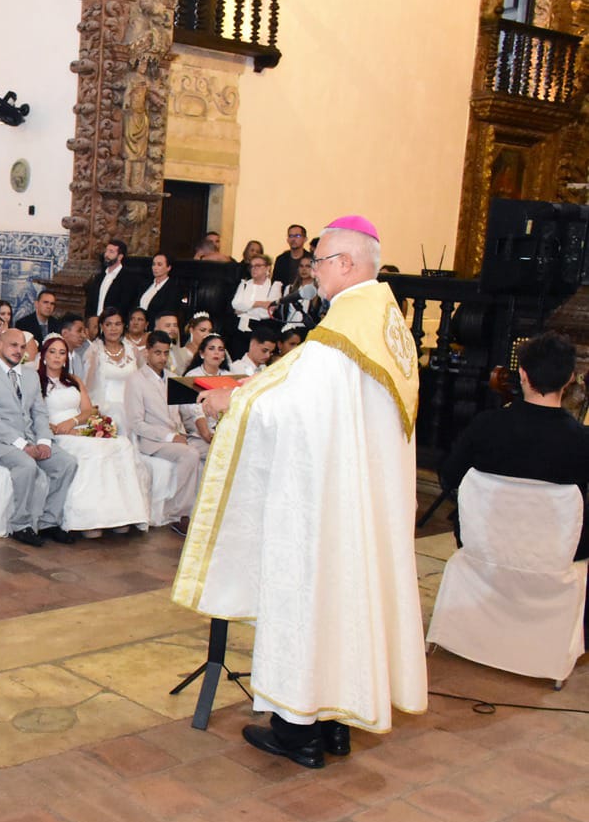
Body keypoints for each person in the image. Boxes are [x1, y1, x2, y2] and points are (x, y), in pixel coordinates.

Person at [173, 214, 427, 769]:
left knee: (312, 598)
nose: (312, 270)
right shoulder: (389, 326)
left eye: (320, 260)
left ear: (348, 264)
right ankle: (336, 723)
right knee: (349, 601)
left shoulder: (343, 332)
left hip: (326, 504)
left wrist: (229, 402)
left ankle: (298, 732)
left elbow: (292, 409)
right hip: (362, 503)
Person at [440, 331, 589, 568]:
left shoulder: (486, 425)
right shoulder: (582, 441)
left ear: (522, 373)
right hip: (554, 559)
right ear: (570, 378)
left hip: (485, 552)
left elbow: (449, 476)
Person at [0, 329, 79, 545]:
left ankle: (49, 522)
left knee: (67, 463)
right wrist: (22, 444)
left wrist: (44, 440)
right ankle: (21, 525)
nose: (18, 351)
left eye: (22, 347)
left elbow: (39, 412)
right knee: (27, 465)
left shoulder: (30, 375)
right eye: (13, 345)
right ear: (0, 345)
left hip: (31, 438)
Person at [39, 334, 149, 537]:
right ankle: (89, 519)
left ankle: (120, 515)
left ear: (66, 358)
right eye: (52, 352)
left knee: (121, 444)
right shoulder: (36, 381)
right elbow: (34, 413)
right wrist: (58, 428)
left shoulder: (73, 380)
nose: (57, 357)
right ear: (44, 355)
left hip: (78, 426)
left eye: (62, 353)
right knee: (93, 450)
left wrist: (74, 423)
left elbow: (89, 411)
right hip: (55, 432)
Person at [123, 330, 203, 532]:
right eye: (157, 352)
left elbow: (183, 413)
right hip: (153, 441)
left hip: (178, 435)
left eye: (166, 353)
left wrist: (191, 431)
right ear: (147, 352)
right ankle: (178, 514)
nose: (162, 358)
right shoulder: (136, 380)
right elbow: (136, 423)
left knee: (211, 450)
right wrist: (170, 436)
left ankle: (203, 510)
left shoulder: (173, 378)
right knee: (190, 455)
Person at [83, 308, 139, 424]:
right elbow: (88, 386)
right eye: (108, 324)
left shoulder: (132, 349)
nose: (113, 329)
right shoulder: (94, 351)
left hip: (132, 405)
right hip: (105, 408)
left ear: (124, 326)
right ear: (102, 327)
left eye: (117, 324)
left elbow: (143, 379)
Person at [231, 253, 282, 356]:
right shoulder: (245, 284)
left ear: (267, 267)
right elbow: (235, 304)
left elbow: (267, 312)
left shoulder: (274, 285)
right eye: (252, 266)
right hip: (240, 328)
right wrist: (259, 303)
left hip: (261, 328)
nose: (254, 269)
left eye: (258, 266)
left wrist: (245, 308)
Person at [88, 239, 140, 327]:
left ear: (120, 257)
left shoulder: (128, 279)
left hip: (113, 325)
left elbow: (125, 305)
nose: (106, 255)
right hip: (96, 323)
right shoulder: (99, 277)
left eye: (111, 252)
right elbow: (91, 301)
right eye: (106, 251)